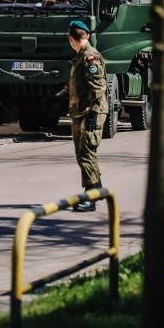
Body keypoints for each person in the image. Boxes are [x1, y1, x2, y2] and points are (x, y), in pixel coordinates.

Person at [55, 20, 108, 212]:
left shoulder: (89, 57)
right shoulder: (80, 56)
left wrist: (94, 113)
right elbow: (75, 85)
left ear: (72, 39)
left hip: (90, 112)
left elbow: (98, 86)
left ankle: (91, 196)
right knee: (82, 153)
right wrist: (58, 99)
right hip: (80, 111)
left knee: (86, 153)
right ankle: (97, 188)